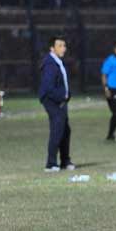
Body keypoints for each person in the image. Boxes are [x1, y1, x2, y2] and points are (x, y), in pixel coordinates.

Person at [39, 35, 73, 172]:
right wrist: (61, 99)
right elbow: (48, 88)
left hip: (60, 100)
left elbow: (61, 82)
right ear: (52, 48)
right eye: (60, 45)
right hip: (52, 101)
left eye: (64, 45)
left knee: (65, 130)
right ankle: (51, 163)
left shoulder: (57, 61)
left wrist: (67, 95)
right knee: (57, 130)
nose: (63, 48)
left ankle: (65, 161)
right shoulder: (49, 63)